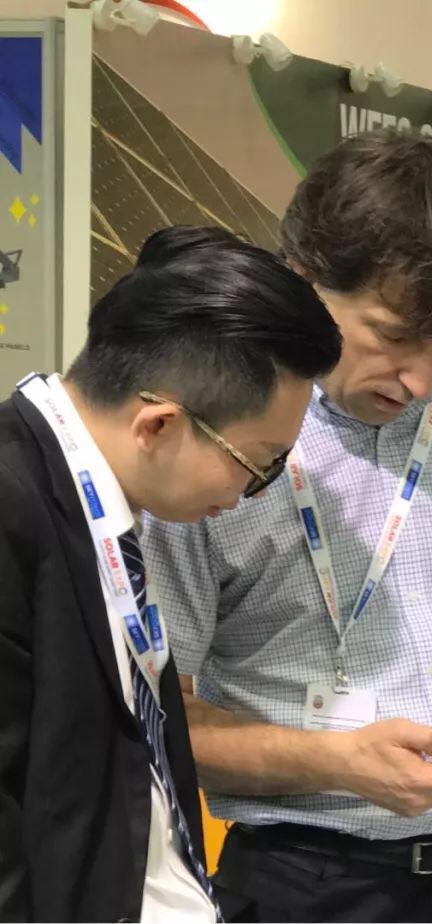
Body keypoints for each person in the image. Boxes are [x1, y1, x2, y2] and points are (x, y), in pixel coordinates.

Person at [143, 133, 432, 923]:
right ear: (302, 279)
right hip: (314, 886)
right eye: (392, 335)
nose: (421, 379)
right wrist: (337, 763)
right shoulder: (211, 431)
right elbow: (156, 712)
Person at [0, 226, 342, 922]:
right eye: (257, 464)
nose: (253, 494)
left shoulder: (98, 507)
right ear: (158, 425)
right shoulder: (14, 507)